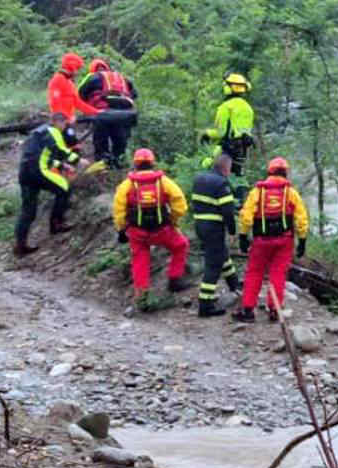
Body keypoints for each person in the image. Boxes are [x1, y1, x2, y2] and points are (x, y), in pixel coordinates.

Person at [113, 148, 192, 309]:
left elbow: (119, 211)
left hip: (137, 232)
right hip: (162, 230)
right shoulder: (164, 182)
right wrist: (173, 220)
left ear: (135, 164)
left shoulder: (127, 185)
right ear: (152, 162)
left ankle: (141, 297)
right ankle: (175, 280)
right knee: (181, 245)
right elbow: (181, 205)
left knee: (140, 260)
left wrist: (121, 229)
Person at [235, 156, 308, 323]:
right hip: (284, 241)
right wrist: (302, 240)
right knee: (278, 274)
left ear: (269, 171)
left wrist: (243, 236)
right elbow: (301, 218)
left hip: (261, 241)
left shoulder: (257, 192)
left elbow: (246, 216)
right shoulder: (291, 193)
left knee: (254, 273)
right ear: (286, 173)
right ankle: (274, 309)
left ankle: (247, 311)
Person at [14, 113, 84, 257]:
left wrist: (63, 167)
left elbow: (43, 156)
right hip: (37, 171)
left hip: (25, 173)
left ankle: (20, 246)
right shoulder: (53, 131)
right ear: (58, 122)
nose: (65, 127)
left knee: (28, 211)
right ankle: (56, 224)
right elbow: (60, 150)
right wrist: (78, 160)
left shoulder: (38, 133)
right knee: (65, 188)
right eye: (65, 124)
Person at [190, 153, 242, 318]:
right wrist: (233, 230)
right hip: (213, 227)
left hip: (200, 225)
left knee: (221, 254)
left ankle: (234, 284)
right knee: (213, 266)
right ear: (226, 168)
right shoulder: (221, 183)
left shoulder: (200, 179)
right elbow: (227, 210)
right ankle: (205, 305)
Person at [77, 58, 138, 169]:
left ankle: (103, 163)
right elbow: (135, 94)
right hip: (123, 113)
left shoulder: (92, 77)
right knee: (119, 139)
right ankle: (118, 162)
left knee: (101, 139)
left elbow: (81, 92)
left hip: (103, 112)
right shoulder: (121, 77)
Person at [204, 73, 262, 177]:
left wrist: (206, 134)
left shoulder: (225, 107)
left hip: (227, 150)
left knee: (208, 168)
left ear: (227, 88)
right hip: (243, 152)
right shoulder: (247, 108)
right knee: (238, 180)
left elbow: (220, 132)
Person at [48, 52, 100, 124]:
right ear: (72, 67)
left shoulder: (69, 82)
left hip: (68, 121)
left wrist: (96, 112)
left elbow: (78, 103)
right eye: (77, 69)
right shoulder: (57, 80)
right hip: (61, 123)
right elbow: (55, 103)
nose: (77, 72)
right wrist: (64, 119)